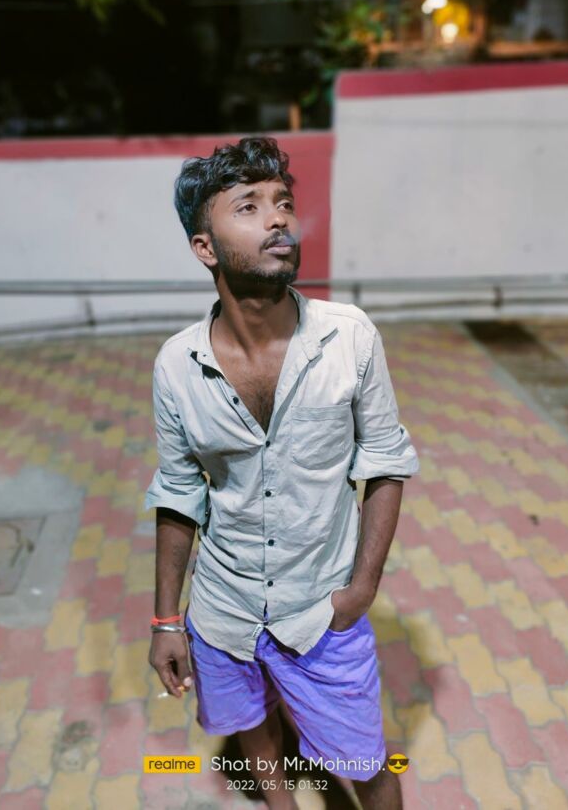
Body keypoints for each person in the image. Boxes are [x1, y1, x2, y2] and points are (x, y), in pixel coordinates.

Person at [145, 136, 419, 810]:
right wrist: (166, 620)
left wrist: (360, 590)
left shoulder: (349, 337)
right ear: (205, 247)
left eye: (284, 203)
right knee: (253, 732)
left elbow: (386, 463)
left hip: (320, 611)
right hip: (223, 612)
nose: (278, 219)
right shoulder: (177, 366)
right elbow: (178, 494)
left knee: (367, 763)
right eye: (249, 206)